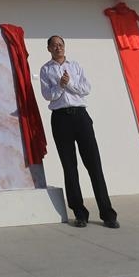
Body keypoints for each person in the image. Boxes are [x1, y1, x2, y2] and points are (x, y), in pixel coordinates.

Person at [40, 35, 119, 229]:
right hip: (60, 118)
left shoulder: (76, 66)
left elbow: (85, 89)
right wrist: (59, 85)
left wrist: (69, 84)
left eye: (61, 44)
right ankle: (79, 212)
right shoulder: (46, 69)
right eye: (54, 45)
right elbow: (47, 95)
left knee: (94, 165)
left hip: (81, 117)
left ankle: (107, 213)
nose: (58, 48)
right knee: (69, 166)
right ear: (49, 48)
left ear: (64, 47)